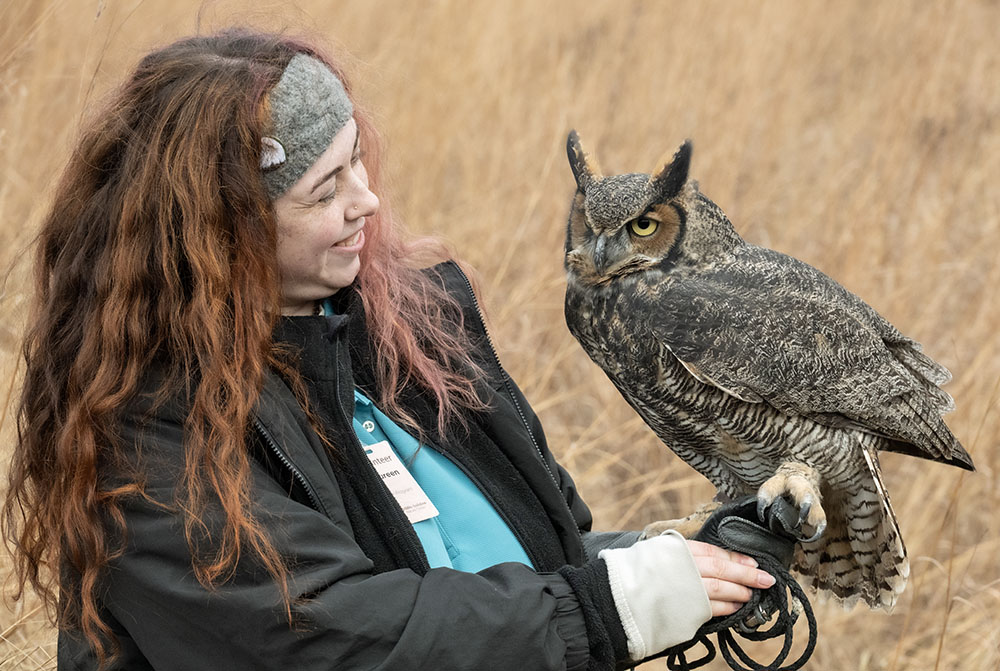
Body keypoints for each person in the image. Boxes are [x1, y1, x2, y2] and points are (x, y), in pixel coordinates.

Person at [3, 28, 778, 670]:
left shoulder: (416, 322)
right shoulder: (146, 430)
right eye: (322, 190)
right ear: (222, 235)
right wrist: (608, 608)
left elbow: (546, 563)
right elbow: (325, 635)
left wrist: (684, 563)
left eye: (356, 161)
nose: (364, 200)